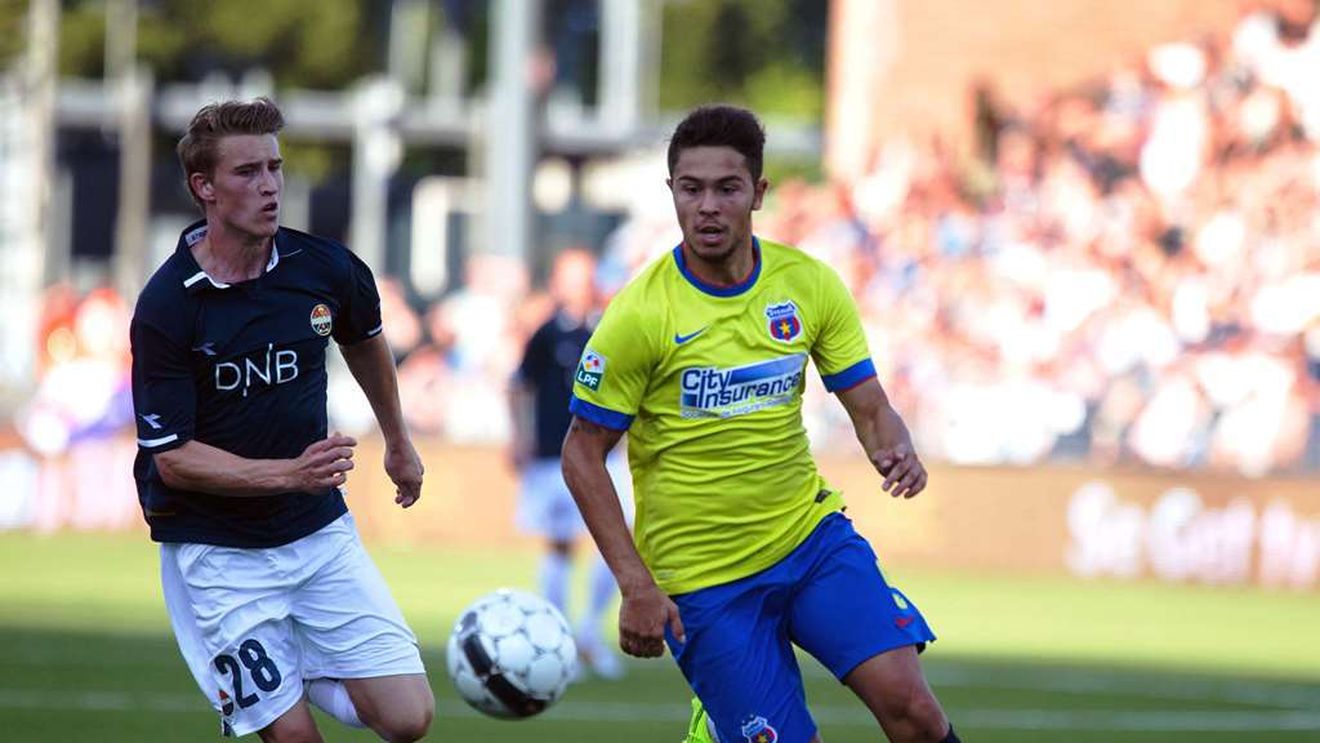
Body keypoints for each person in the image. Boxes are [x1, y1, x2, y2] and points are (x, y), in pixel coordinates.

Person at [562, 105, 960, 743]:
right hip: (705, 583)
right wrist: (635, 583)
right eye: (691, 190)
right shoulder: (640, 314)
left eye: (728, 188)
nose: (708, 207)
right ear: (672, 194)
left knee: (912, 710)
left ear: (759, 193)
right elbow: (582, 455)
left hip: (810, 542)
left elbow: (869, 405)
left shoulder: (808, 285)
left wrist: (895, 446)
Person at [129, 98, 433, 742]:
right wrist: (290, 474)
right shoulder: (166, 307)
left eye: (275, 168)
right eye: (247, 173)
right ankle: (277, 676)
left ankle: (296, 663)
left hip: (315, 533)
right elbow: (173, 459)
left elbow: (365, 337)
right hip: (217, 551)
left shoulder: (323, 268)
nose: (269, 186)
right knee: (293, 738)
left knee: (409, 719)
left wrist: (398, 441)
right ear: (203, 187)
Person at [508, 247, 630, 680]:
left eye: (583, 274)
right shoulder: (545, 333)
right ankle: (559, 639)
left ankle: (589, 631)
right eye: (569, 275)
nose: (577, 283)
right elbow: (519, 385)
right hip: (551, 454)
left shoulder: (609, 328)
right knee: (559, 542)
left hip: (606, 453)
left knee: (619, 537)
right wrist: (519, 437)